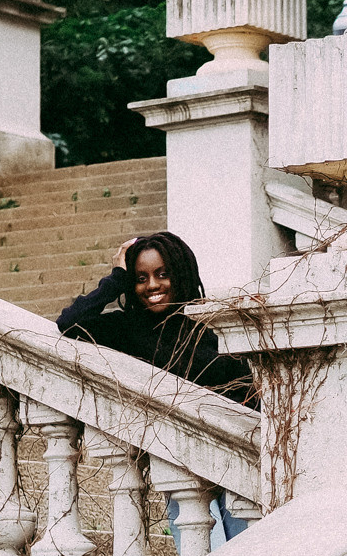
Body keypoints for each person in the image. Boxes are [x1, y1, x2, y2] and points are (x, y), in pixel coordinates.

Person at [57, 230, 252, 540]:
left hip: (236, 464)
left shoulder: (209, 325)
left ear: (182, 273)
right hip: (179, 465)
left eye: (163, 274)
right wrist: (117, 276)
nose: (152, 286)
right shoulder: (128, 327)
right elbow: (71, 322)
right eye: (141, 277)